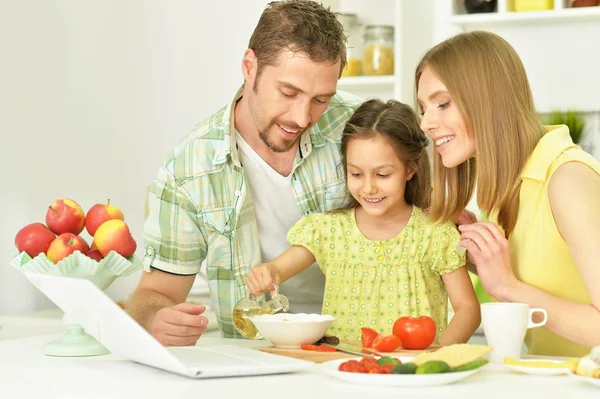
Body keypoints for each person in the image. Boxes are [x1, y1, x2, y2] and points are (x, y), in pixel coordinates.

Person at [128, 0, 362, 345]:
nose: (301, 117)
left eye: (321, 99)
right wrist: (156, 319)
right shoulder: (188, 169)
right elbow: (154, 293)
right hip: (254, 350)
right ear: (249, 66)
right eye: (288, 92)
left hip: (358, 342)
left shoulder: (361, 127)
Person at [416, 30, 600, 357]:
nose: (426, 123)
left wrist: (506, 286)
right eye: (423, 109)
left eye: (443, 103)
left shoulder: (568, 179)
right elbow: (545, 278)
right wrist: (477, 257)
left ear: (488, 98)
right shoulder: (508, 190)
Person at [246, 99, 481, 344]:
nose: (368, 187)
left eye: (382, 174)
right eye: (356, 174)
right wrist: (269, 272)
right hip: (342, 370)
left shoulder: (434, 234)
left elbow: (468, 309)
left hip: (409, 374)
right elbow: (278, 270)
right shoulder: (329, 231)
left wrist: (439, 353)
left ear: (410, 170)